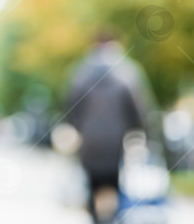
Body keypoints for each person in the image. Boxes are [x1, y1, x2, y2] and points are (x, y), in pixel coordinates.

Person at [64, 32, 155, 224]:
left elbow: (70, 105)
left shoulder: (81, 72)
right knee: (112, 182)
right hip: (116, 140)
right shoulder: (128, 72)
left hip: (89, 141)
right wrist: (139, 131)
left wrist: (77, 127)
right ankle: (110, 217)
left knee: (93, 182)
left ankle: (96, 217)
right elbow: (138, 108)